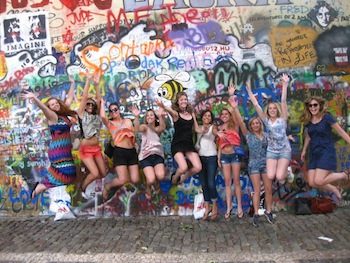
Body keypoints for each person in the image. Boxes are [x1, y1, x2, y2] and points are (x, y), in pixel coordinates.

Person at [21, 76, 77, 198]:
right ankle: (39, 188)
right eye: (52, 104)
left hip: (65, 151)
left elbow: (69, 98)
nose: (55, 105)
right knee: (64, 174)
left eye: (56, 103)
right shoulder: (53, 117)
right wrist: (35, 98)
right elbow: (44, 108)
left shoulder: (62, 114)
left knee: (69, 174)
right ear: (50, 107)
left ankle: (38, 188)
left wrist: (72, 84)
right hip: (58, 152)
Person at [246, 74, 291, 223]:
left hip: (284, 149)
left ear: (277, 110)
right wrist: (249, 91)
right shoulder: (265, 121)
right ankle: (260, 212)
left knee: (278, 177)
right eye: (270, 108)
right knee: (270, 176)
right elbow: (257, 105)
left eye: (274, 108)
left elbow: (283, 100)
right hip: (272, 152)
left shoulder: (283, 118)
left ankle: (286, 172)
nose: (272, 110)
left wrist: (285, 84)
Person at [230, 88, 271, 227]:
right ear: (251, 126)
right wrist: (235, 108)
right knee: (257, 190)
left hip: (265, 164)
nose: (255, 125)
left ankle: (269, 212)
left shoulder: (266, 136)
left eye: (257, 123)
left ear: (260, 125)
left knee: (268, 188)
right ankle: (256, 214)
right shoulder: (248, 136)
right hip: (253, 164)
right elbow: (241, 122)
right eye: (253, 123)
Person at [300, 96, 350, 205]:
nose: (313, 107)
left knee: (319, 180)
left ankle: (343, 175)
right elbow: (309, 135)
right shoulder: (309, 119)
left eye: (315, 105)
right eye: (310, 105)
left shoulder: (327, 117)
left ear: (320, 106)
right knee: (312, 182)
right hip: (314, 152)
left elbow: (341, 132)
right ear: (308, 107)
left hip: (326, 151)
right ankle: (334, 189)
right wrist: (304, 150)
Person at [155, 92, 202, 185]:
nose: (184, 101)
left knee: (198, 167)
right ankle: (175, 178)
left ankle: (183, 177)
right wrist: (163, 106)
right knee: (183, 167)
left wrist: (204, 130)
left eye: (185, 99)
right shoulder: (176, 114)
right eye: (181, 100)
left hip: (188, 144)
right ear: (177, 102)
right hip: (178, 144)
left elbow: (196, 128)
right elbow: (170, 111)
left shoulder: (191, 113)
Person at [100, 99, 139, 201]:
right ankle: (108, 186)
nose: (113, 112)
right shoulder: (110, 124)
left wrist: (136, 116)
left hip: (132, 152)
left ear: (119, 110)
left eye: (115, 109)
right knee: (123, 179)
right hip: (120, 152)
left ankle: (121, 185)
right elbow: (103, 117)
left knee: (135, 179)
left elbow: (136, 132)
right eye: (111, 111)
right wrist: (102, 103)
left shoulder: (128, 121)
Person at [76, 71, 105, 199]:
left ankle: (88, 181)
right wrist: (88, 81)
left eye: (91, 104)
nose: (89, 105)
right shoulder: (82, 115)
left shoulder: (97, 116)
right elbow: (84, 97)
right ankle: (82, 187)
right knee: (95, 172)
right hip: (86, 149)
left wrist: (97, 84)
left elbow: (99, 100)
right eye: (87, 104)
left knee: (102, 173)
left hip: (96, 148)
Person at [216, 94, 244, 220]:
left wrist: (232, 96)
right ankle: (229, 207)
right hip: (224, 156)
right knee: (227, 182)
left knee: (236, 181)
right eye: (222, 115)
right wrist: (218, 157)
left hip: (234, 155)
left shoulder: (235, 125)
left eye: (226, 114)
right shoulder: (219, 128)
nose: (224, 116)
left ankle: (239, 206)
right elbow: (220, 145)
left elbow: (235, 111)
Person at [132, 106, 166, 200]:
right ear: (146, 119)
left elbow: (163, 127)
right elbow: (138, 128)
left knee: (161, 176)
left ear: (155, 117)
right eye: (147, 116)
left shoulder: (158, 128)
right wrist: (136, 117)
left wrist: (160, 116)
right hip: (146, 157)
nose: (149, 117)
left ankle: (156, 183)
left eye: (151, 115)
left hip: (158, 155)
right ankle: (148, 187)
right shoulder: (145, 127)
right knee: (150, 179)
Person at [193, 109, 219, 221]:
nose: (207, 118)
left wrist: (218, 133)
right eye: (205, 116)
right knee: (204, 184)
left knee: (211, 183)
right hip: (201, 157)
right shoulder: (198, 128)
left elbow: (215, 132)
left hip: (212, 157)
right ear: (202, 117)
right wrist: (194, 116)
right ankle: (207, 207)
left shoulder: (213, 127)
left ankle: (215, 206)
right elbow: (196, 129)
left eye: (209, 116)